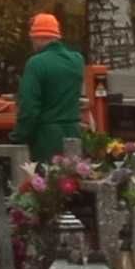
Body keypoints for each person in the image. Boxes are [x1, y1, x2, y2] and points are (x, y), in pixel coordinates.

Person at [14, 9, 85, 167]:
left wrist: (18, 137)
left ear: (37, 38)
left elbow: (29, 109)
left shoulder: (36, 63)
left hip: (46, 140)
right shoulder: (77, 60)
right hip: (74, 134)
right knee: (73, 181)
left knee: (48, 187)